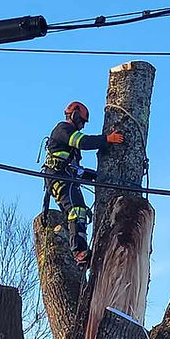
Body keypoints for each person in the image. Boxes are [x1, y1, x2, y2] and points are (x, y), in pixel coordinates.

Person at [43, 101, 124, 266]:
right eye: (81, 121)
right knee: (77, 210)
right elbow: (83, 142)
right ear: (74, 115)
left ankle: (79, 249)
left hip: (67, 178)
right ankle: (79, 251)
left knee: (78, 211)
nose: (82, 126)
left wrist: (95, 176)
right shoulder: (63, 129)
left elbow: (75, 168)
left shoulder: (69, 143)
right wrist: (107, 139)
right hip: (60, 179)